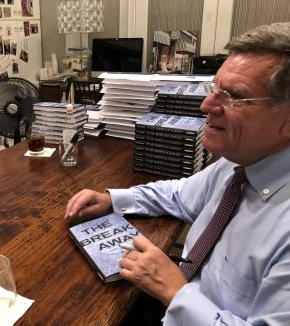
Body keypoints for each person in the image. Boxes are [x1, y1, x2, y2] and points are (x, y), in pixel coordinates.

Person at [65, 22, 290, 325]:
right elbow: (179, 194)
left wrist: (175, 292)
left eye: (233, 96)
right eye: (215, 89)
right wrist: (112, 199)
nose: (206, 105)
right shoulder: (239, 164)